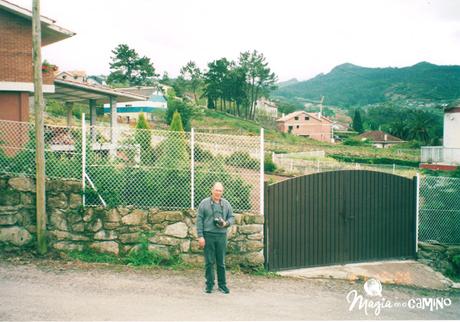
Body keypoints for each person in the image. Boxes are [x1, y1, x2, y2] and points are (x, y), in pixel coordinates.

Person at [196, 182, 234, 294]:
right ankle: (209, 285)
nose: (218, 192)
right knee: (209, 262)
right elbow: (199, 220)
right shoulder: (204, 203)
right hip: (208, 235)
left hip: (221, 235)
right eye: (216, 190)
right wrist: (200, 236)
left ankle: (222, 285)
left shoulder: (226, 204)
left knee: (221, 262)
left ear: (222, 192)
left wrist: (225, 223)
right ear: (211, 190)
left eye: (220, 191)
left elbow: (232, 217)